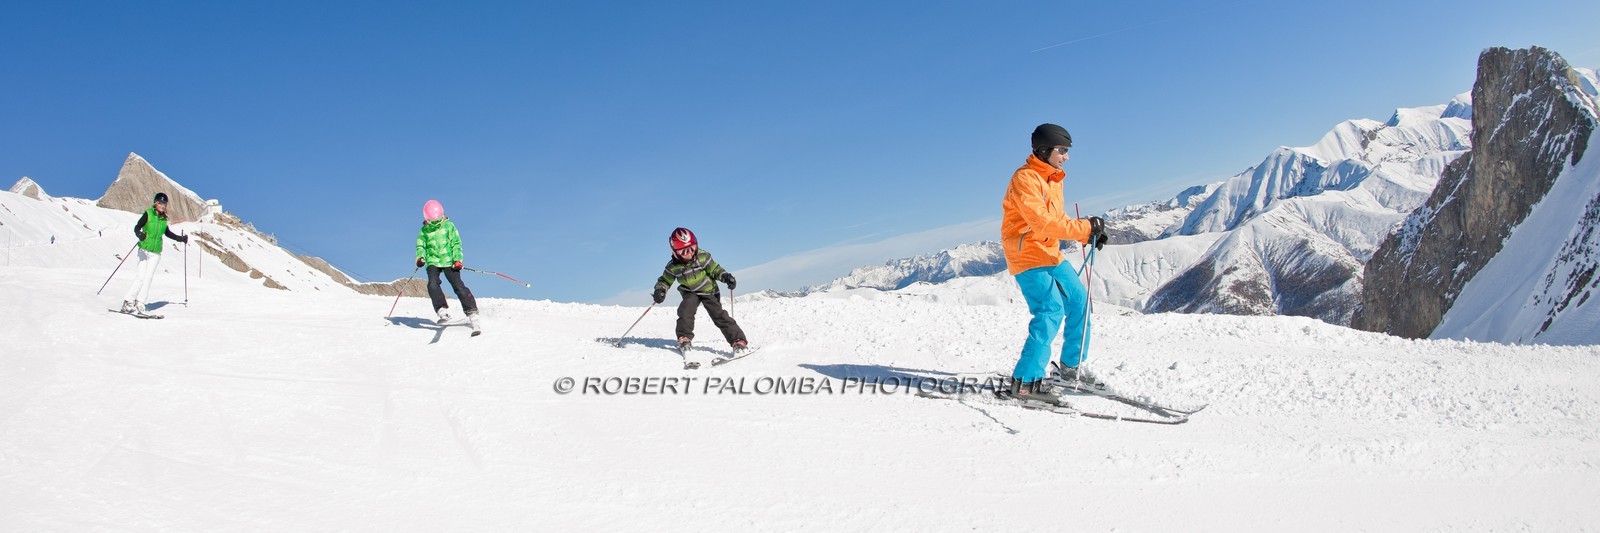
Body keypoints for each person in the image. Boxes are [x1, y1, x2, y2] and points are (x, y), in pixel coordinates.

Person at [998, 123, 1107, 402]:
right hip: (1026, 254)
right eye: (1062, 150)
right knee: (1050, 310)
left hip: (1049, 252)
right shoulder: (1025, 179)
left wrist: (1088, 234)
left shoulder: (1054, 179)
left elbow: (1056, 221)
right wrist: (1084, 228)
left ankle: (1070, 368)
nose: (1066, 156)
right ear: (1045, 150)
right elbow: (1042, 222)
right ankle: (1025, 383)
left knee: (1080, 301)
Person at [651, 227, 748, 355]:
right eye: (683, 251)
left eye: (692, 248)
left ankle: (738, 340)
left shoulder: (703, 257)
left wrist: (725, 277)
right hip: (690, 292)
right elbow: (665, 280)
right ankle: (684, 338)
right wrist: (660, 290)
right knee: (686, 310)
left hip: (708, 290)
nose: (689, 253)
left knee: (718, 315)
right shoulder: (673, 266)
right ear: (675, 252)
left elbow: (715, 269)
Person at [415, 199, 480, 333]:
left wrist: (457, 259)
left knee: (458, 285)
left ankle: (472, 311)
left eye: (437, 220)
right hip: (432, 261)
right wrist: (420, 258)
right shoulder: (424, 230)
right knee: (432, 284)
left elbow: (456, 243)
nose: (434, 222)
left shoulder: (448, 225)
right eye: (431, 220)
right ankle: (441, 310)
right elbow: (420, 246)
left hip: (449, 260)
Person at [120, 192, 188, 314]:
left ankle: (140, 303)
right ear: (155, 203)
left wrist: (181, 238)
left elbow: (168, 233)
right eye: (160, 203)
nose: (162, 206)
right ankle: (128, 302)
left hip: (155, 252)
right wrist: (139, 234)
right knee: (141, 277)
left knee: (149, 277)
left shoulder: (163, 219)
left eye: (164, 204)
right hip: (144, 250)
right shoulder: (148, 214)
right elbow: (137, 227)